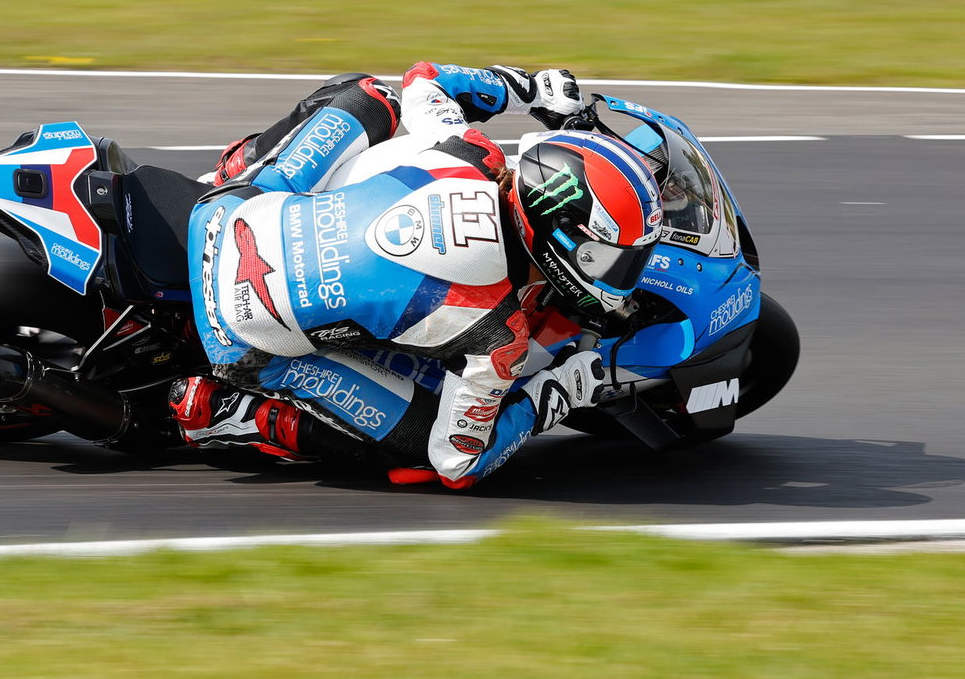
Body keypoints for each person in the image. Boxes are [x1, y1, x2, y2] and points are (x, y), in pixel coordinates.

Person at [173, 63, 664, 488]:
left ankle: (235, 165)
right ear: (559, 233)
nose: (624, 272)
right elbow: (458, 463)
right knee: (420, 450)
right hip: (238, 337)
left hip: (223, 212)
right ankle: (244, 417)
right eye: (612, 257)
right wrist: (557, 392)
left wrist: (530, 89)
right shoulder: (501, 334)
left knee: (370, 96)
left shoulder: (472, 153)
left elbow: (424, 80)